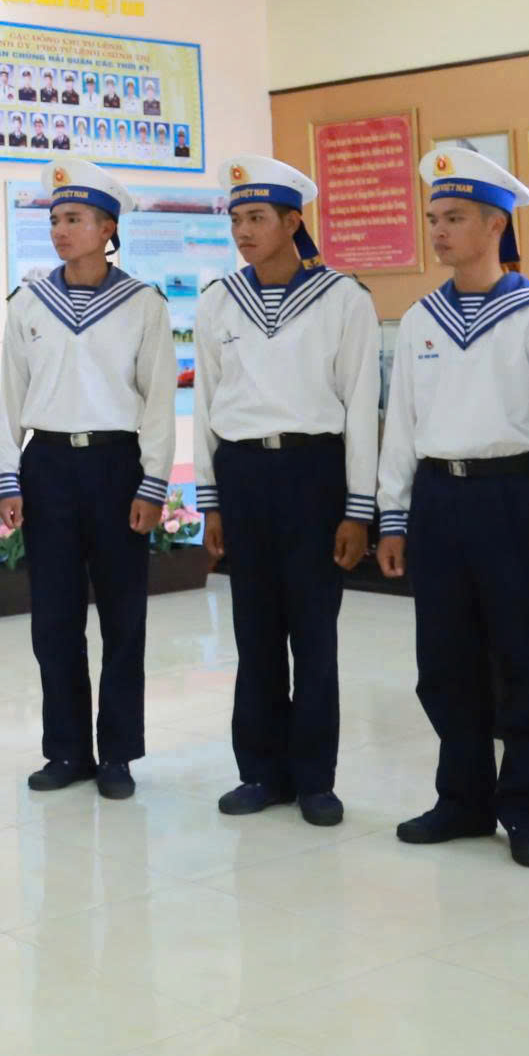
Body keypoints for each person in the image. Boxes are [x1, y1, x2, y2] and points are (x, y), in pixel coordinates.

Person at [371, 147, 529, 868]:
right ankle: (461, 799)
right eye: (434, 217)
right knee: (444, 660)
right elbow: (401, 424)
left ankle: (528, 809)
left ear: (496, 224)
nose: (438, 230)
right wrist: (393, 513)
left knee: (522, 660)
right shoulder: (421, 319)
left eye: (455, 217)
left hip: (512, 498)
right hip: (439, 499)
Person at [195, 154, 380, 827]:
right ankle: (260, 771)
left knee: (314, 635)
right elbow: (206, 402)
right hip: (244, 475)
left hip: (313, 475)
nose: (243, 231)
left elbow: (361, 405)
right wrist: (211, 500)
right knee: (255, 633)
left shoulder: (343, 299)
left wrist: (359, 507)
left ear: (293, 221)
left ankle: (315, 779)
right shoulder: (219, 299)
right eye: (236, 219)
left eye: (257, 217)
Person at [0, 159, 178, 800]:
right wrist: (7, 476)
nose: (60, 230)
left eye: (74, 218)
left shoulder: (143, 305)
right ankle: (67, 750)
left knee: (123, 617)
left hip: (116, 466)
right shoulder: (28, 303)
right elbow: (9, 397)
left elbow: (158, 400)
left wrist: (153, 481)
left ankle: (118, 754)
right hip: (47, 466)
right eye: (54, 219)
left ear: (107, 228)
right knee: (54, 618)